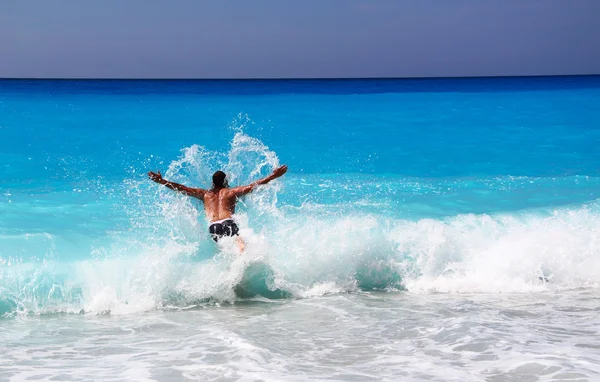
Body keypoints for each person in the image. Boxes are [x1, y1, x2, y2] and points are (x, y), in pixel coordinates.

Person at [148, 165, 288, 252]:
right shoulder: (231, 192)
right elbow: (253, 186)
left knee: (225, 252)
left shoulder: (204, 194)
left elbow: (181, 188)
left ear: (212, 182)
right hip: (228, 222)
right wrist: (273, 176)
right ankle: (242, 260)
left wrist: (162, 181)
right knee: (239, 244)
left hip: (213, 227)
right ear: (225, 181)